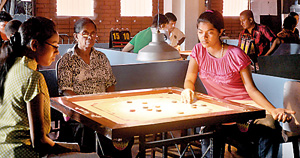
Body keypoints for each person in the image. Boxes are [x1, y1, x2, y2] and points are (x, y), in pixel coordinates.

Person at [181, 10, 295, 158]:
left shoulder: (236, 54)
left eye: (210, 32)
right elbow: (190, 79)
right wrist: (188, 90)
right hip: (221, 110)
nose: (204, 37)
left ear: (220, 31)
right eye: (200, 32)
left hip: (245, 108)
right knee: (210, 131)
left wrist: (272, 110)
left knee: (270, 127)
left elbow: (251, 89)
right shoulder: (198, 51)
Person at [0, 16, 84, 158]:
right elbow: (39, 142)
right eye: (55, 46)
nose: (57, 52)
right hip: (24, 153)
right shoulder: (33, 78)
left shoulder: (12, 68)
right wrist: (73, 148)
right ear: (34, 45)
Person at [57, 17, 133, 157]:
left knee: (125, 126)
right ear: (76, 36)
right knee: (87, 129)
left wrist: (107, 103)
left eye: (93, 33)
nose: (90, 37)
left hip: (103, 108)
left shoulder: (101, 57)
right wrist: (86, 109)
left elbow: (110, 83)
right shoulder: (67, 60)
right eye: (85, 33)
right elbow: (67, 91)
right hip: (80, 112)